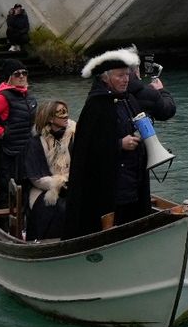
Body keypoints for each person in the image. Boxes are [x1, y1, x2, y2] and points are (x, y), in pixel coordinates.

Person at [64, 47, 177, 235]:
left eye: (127, 75)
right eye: (120, 75)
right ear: (105, 78)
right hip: (109, 186)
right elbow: (85, 149)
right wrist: (119, 144)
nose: (126, 79)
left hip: (132, 181)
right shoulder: (96, 105)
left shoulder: (128, 99)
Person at [0, 60, 38, 206]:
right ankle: (5, 216)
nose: (22, 76)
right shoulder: (3, 97)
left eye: (24, 73)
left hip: (25, 150)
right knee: (7, 190)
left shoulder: (29, 96)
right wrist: (3, 134)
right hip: (6, 153)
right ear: (9, 77)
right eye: (17, 74)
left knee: (25, 187)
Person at [20, 99, 73, 241]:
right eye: (61, 112)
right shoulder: (35, 143)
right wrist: (59, 184)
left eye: (66, 111)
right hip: (44, 188)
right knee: (56, 208)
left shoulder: (74, 137)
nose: (66, 116)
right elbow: (36, 178)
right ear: (50, 118)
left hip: (72, 183)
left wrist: (70, 181)